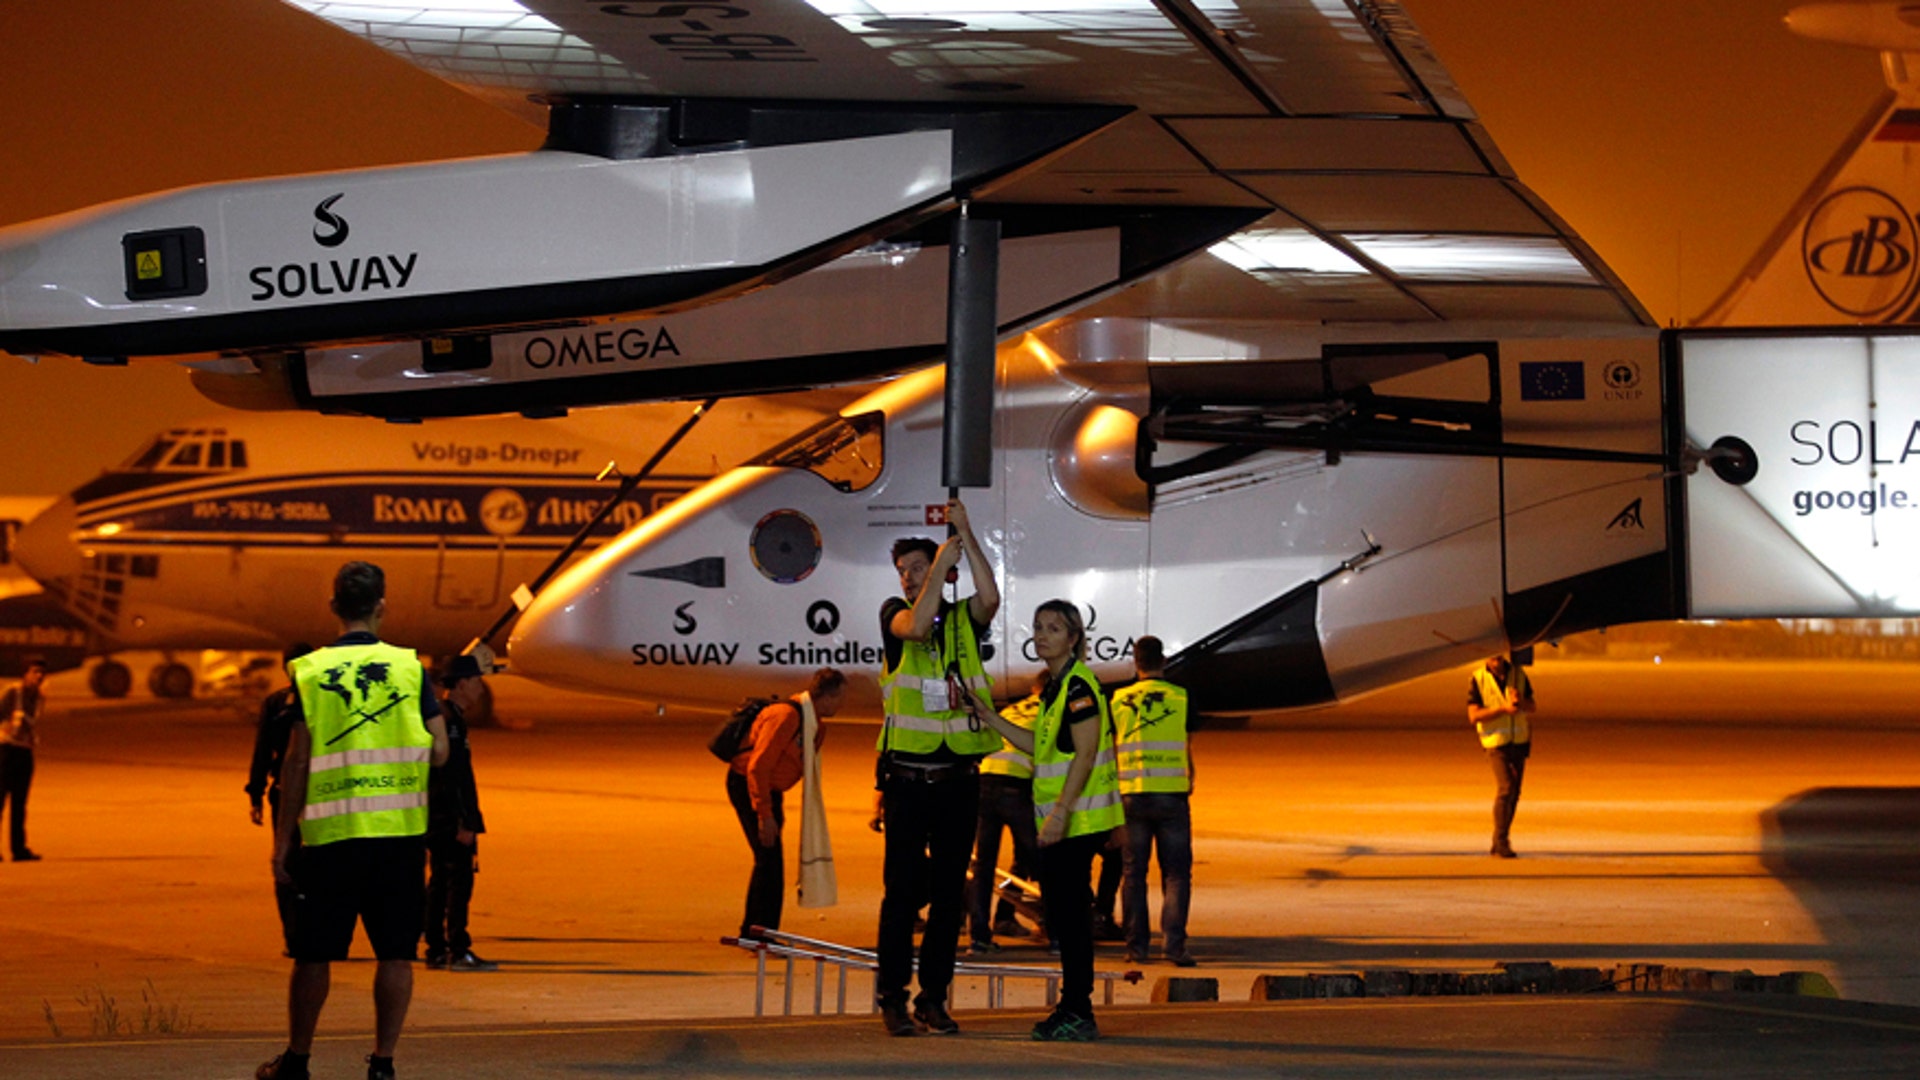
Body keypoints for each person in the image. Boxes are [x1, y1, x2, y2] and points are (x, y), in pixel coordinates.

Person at [257, 562, 449, 1080]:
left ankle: (297, 1060)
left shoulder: (312, 671)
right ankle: (383, 1062)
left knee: (313, 955)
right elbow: (440, 753)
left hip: (331, 837)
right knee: (395, 954)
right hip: (399, 837)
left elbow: (296, 761)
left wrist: (282, 841)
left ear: (333, 607)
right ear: (381, 606)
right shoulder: (411, 670)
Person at [966, 599, 1123, 1042]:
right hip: (1064, 821)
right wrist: (990, 717)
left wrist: (1060, 812)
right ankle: (1073, 1005)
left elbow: (1087, 753)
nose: (1042, 635)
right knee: (1063, 917)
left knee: (1071, 920)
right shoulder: (1056, 688)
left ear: (1074, 638)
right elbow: (1040, 746)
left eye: (1054, 628)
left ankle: (1079, 1009)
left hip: (1077, 822)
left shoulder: (1078, 687)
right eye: (1037, 627)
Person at [873, 499, 1001, 1037]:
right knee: (903, 894)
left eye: (918, 569)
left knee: (951, 893)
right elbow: (918, 623)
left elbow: (990, 597)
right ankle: (893, 996)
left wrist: (965, 536)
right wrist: (936, 575)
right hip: (907, 780)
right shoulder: (895, 614)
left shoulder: (964, 620)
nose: (907, 578)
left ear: (943, 571)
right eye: (903, 572)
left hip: (958, 781)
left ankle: (934, 996)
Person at [728, 667, 845, 938]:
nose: (842, 704)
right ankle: (758, 933)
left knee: (768, 860)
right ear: (827, 697)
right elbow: (758, 767)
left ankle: (756, 930)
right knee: (769, 861)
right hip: (750, 787)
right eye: (840, 698)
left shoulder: (812, 723)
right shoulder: (787, 717)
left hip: (768, 790)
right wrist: (764, 814)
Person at [1111, 635, 1195, 967]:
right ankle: (1174, 947)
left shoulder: (1118, 699)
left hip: (1132, 794)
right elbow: (1187, 739)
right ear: (1164, 661)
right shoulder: (1182, 697)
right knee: (1176, 874)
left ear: (1136, 662)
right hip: (1172, 795)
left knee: (1133, 873)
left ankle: (1137, 948)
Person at [423, 654, 494, 972]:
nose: (480, 687)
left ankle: (436, 948)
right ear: (461, 684)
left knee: (439, 881)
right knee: (457, 883)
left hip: (435, 816)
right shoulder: (450, 722)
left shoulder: (444, 716)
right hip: (450, 818)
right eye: (476, 680)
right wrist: (465, 821)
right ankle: (457, 948)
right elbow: (454, 777)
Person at [248, 643, 316, 953]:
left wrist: (256, 792)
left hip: (286, 792)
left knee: (287, 859)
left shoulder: (276, 703)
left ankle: (294, 933)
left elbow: (263, 751)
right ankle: (305, 931)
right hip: (317, 792)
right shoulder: (321, 699)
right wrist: (256, 790)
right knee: (308, 861)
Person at [968, 675, 1043, 954]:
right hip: (1016, 786)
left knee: (983, 867)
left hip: (986, 782)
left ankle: (979, 936)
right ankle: (1057, 932)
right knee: (1041, 861)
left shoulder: (1012, 709)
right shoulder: (1050, 709)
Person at [1468, 652, 1536, 859]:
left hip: (1519, 741)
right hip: (1495, 743)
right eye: (1492, 657)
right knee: (1506, 787)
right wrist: (1503, 709)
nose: (1496, 660)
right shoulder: (1478, 678)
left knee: (1515, 792)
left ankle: (1500, 840)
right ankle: (1500, 840)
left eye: (1498, 656)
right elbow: (1474, 715)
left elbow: (1532, 706)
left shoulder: (1518, 674)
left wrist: (1520, 702)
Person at [0, 657, 49, 862]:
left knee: (20, 804)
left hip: (24, 753)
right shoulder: (13, 692)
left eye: (41, 673)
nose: (39, 676)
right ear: (25, 674)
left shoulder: (39, 697)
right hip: (6, 751)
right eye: (35, 672)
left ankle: (19, 849)